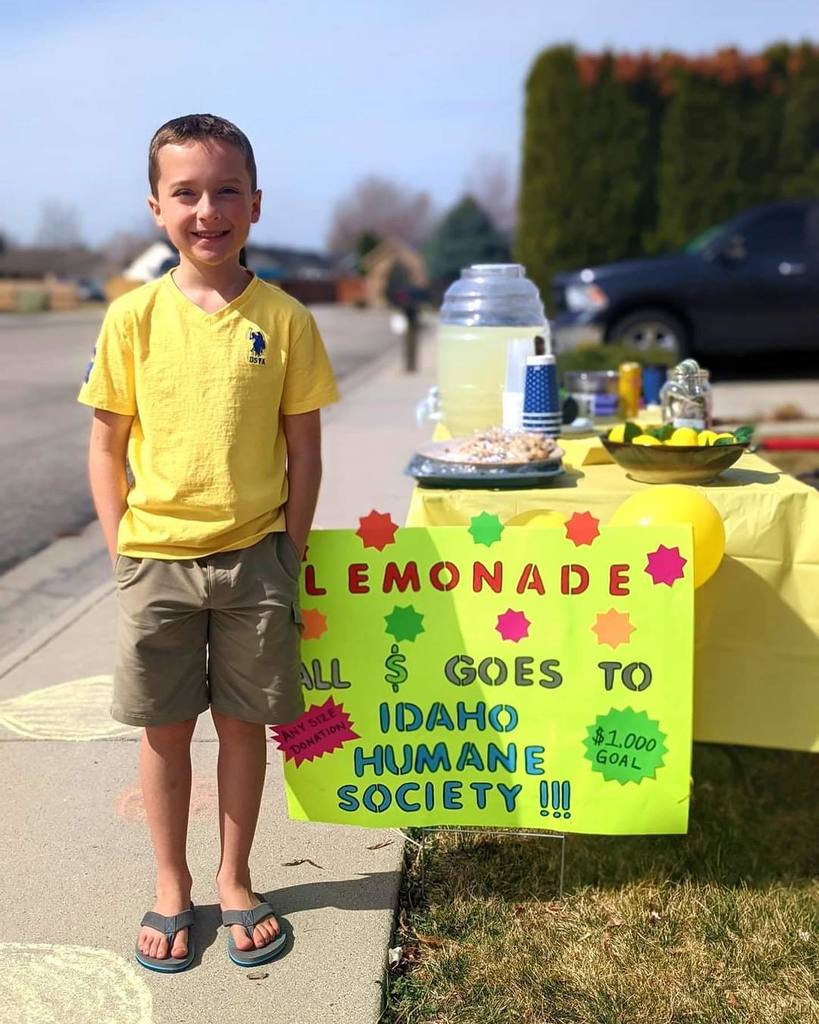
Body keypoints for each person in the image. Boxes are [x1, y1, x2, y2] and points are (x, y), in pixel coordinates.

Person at [77, 114, 339, 973]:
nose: (207, 209)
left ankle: (233, 879)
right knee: (162, 730)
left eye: (227, 190)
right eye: (185, 192)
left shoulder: (287, 320)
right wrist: (124, 552)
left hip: (253, 558)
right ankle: (168, 883)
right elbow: (107, 445)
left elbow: (303, 447)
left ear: (255, 204)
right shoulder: (133, 319)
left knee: (241, 727)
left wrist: (287, 552)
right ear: (157, 207)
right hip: (156, 560)